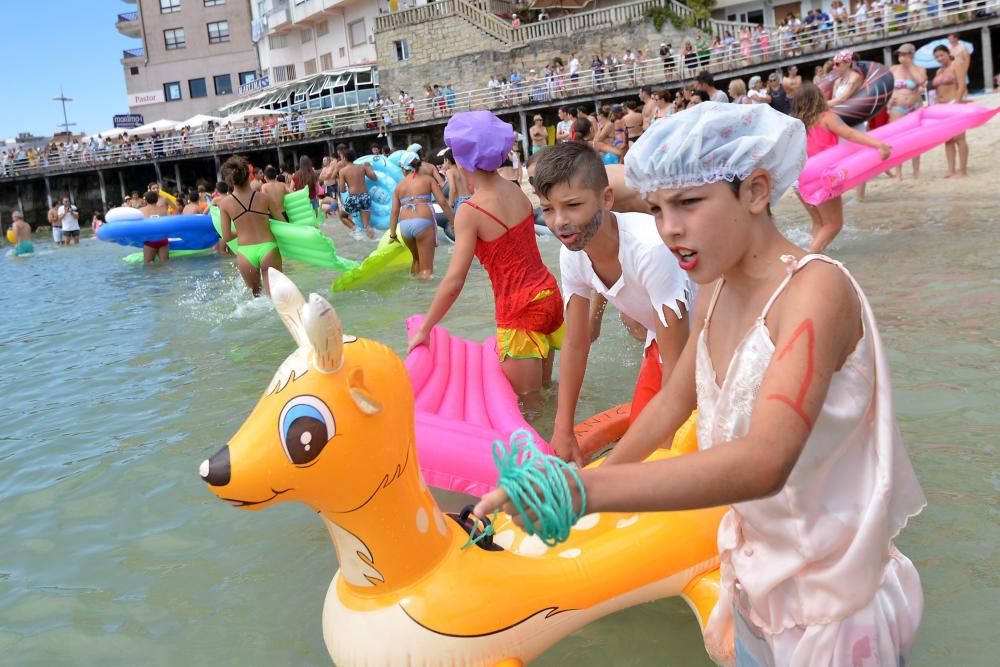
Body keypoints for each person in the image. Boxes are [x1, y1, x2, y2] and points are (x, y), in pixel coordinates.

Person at [475, 102, 925, 667]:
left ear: (757, 190)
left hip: (834, 605)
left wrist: (582, 494)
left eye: (689, 203)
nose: (670, 228)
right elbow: (669, 405)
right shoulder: (715, 286)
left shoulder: (816, 292)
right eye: (659, 208)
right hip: (754, 572)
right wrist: (586, 488)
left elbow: (765, 461)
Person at [534, 142, 693, 466]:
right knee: (641, 441)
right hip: (660, 343)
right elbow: (576, 343)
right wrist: (563, 429)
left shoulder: (651, 249)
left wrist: (662, 453)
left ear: (606, 199)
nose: (559, 221)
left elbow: (679, 367)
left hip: (705, 344)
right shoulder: (572, 256)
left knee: (664, 453)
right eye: (548, 209)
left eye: (573, 205)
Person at [408, 111, 564, 411]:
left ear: (462, 159)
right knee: (546, 393)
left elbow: (454, 281)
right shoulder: (515, 190)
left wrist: (425, 327)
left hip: (518, 310)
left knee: (528, 408)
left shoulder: (471, 211)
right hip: (548, 295)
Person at [793, 83, 892, 253]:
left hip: (799, 177)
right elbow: (850, 134)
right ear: (819, 98)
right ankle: (808, 259)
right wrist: (878, 145)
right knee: (833, 225)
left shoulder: (797, 123)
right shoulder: (826, 117)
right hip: (821, 176)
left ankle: (813, 253)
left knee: (819, 223)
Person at [218, 156, 285, 297]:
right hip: (268, 248)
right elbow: (283, 223)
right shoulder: (264, 198)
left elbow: (227, 237)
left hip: (245, 253)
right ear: (249, 175)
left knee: (257, 298)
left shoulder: (224, 204)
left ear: (230, 181)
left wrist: (241, 232)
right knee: (274, 296)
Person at [389, 152, 453, 279]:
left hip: (405, 226)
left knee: (416, 260)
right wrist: (453, 221)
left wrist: (392, 235)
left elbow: (394, 212)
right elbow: (442, 203)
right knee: (427, 270)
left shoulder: (399, 186)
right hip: (423, 223)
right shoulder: (427, 180)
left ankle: (413, 293)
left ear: (404, 168)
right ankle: (424, 297)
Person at [888, 43, 927, 180]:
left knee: (916, 139)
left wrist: (909, 65)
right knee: (897, 139)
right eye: (900, 54)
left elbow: (921, 80)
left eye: (904, 54)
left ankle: (916, 170)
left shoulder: (919, 69)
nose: (901, 57)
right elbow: (887, 86)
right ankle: (899, 172)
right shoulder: (893, 69)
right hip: (897, 107)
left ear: (912, 54)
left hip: (914, 106)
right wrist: (890, 97)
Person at [933, 45, 969, 178]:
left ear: (948, 53)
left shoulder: (956, 64)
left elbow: (961, 84)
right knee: (947, 139)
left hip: (954, 103)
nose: (939, 58)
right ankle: (951, 169)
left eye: (942, 55)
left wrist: (957, 102)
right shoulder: (938, 71)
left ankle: (963, 170)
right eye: (936, 57)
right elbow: (937, 91)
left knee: (960, 138)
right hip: (942, 107)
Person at [337, 148, 378, 238]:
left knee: (342, 215)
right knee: (367, 225)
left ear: (344, 158)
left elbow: (342, 190)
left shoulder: (342, 171)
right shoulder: (362, 167)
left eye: (341, 158)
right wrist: (369, 167)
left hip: (353, 199)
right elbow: (374, 178)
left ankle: (356, 230)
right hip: (365, 197)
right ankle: (373, 238)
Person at [139, 191, 170, 264]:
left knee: (148, 264)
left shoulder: (141, 211)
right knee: (165, 263)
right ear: (157, 199)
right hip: (163, 239)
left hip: (150, 239)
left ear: (146, 200)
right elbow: (168, 223)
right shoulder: (163, 210)